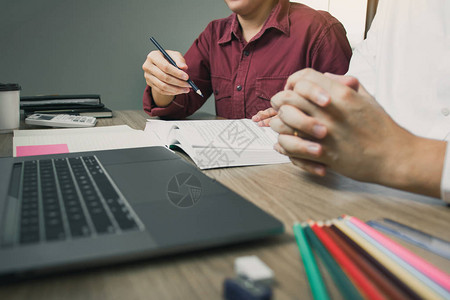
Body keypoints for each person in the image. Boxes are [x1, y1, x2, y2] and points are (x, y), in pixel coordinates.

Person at [269, 0, 450, 202]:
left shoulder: (317, 26)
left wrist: (397, 155)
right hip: (373, 197)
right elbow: (358, 84)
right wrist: (311, 116)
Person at [142, 0, 351, 120]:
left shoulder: (320, 30)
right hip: (231, 176)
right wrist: (162, 81)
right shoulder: (213, 34)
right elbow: (177, 106)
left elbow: (349, 119)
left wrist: (301, 121)